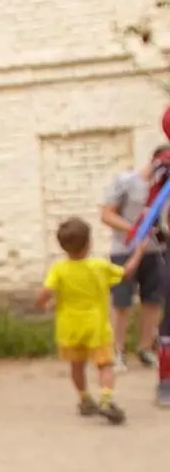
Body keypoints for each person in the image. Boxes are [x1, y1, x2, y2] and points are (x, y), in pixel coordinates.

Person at [36, 217, 149, 425]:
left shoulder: (58, 270)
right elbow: (126, 273)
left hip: (69, 328)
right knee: (105, 365)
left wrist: (46, 305)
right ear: (89, 243)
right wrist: (139, 252)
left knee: (76, 366)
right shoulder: (99, 266)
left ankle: (84, 399)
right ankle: (106, 399)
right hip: (96, 327)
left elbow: (44, 293)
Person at [100, 146, 170, 372]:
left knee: (152, 301)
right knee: (121, 302)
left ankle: (145, 348)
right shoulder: (125, 182)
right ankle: (117, 351)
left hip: (155, 250)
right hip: (124, 250)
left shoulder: (165, 189)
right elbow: (107, 214)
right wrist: (135, 230)